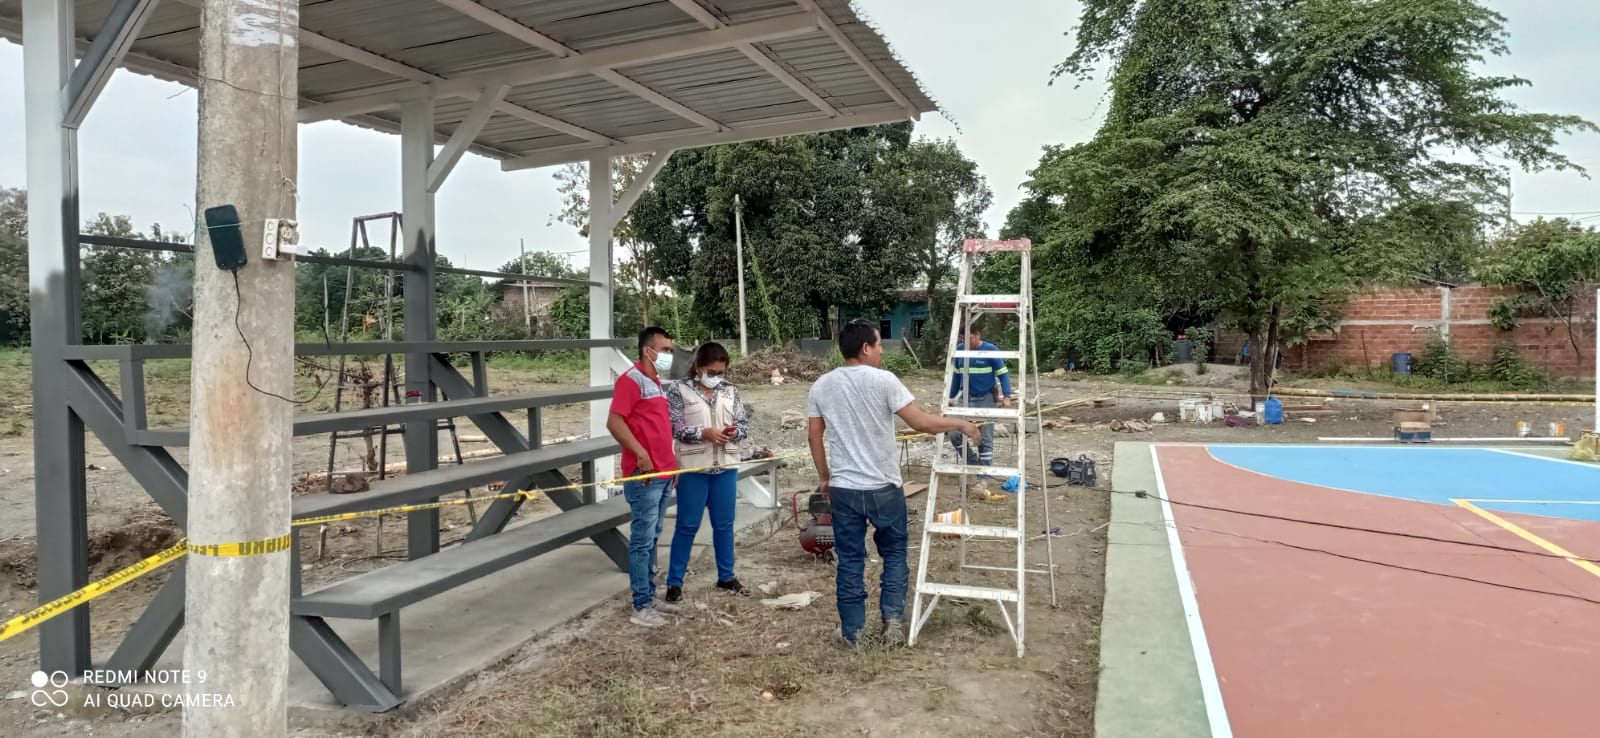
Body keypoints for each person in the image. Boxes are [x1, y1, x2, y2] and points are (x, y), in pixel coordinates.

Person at [807, 319, 980, 648]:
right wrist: (960, 424)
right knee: (895, 554)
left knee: (850, 560)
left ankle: (853, 633)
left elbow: (814, 436)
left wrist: (825, 477)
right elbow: (921, 422)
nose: (882, 352)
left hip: (845, 489)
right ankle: (893, 624)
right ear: (865, 348)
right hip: (884, 487)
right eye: (879, 345)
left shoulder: (821, 386)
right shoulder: (884, 381)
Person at [663, 342, 751, 603]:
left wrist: (733, 432)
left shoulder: (730, 390)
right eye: (712, 372)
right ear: (699, 367)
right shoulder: (679, 389)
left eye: (721, 372)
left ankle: (726, 576)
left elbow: (743, 424)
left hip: (725, 466)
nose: (717, 377)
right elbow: (674, 427)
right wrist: (703, 433)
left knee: (724, 525)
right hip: (694, 467)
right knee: (687, 525)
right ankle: (674, 582)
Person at [607, 326, 681, 628]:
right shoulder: (631, 380)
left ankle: (648, 596)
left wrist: (672, 464)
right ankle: (640, 605)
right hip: (645, 474)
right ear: (647, 350)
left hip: (663, 472)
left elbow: (659, 428)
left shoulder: (656, 382)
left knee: (653, 536)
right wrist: (640, 454)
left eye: (670, 350)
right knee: (642, 539)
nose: (669, 355)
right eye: (664, 350)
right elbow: (614, 422)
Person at [948, 326, 1013, 468]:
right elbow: (956, 377)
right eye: (962, 339)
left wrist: (1007, 396)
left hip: (985, 398)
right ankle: (973, 463)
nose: (965, 342)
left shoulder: (990, 350)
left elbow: (1003, 374)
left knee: (985, 439)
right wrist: (950, 398)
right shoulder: (960, 350)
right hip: (965, 398)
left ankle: (984, 474)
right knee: (954, 433)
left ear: (977, 335)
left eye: (969, 338)